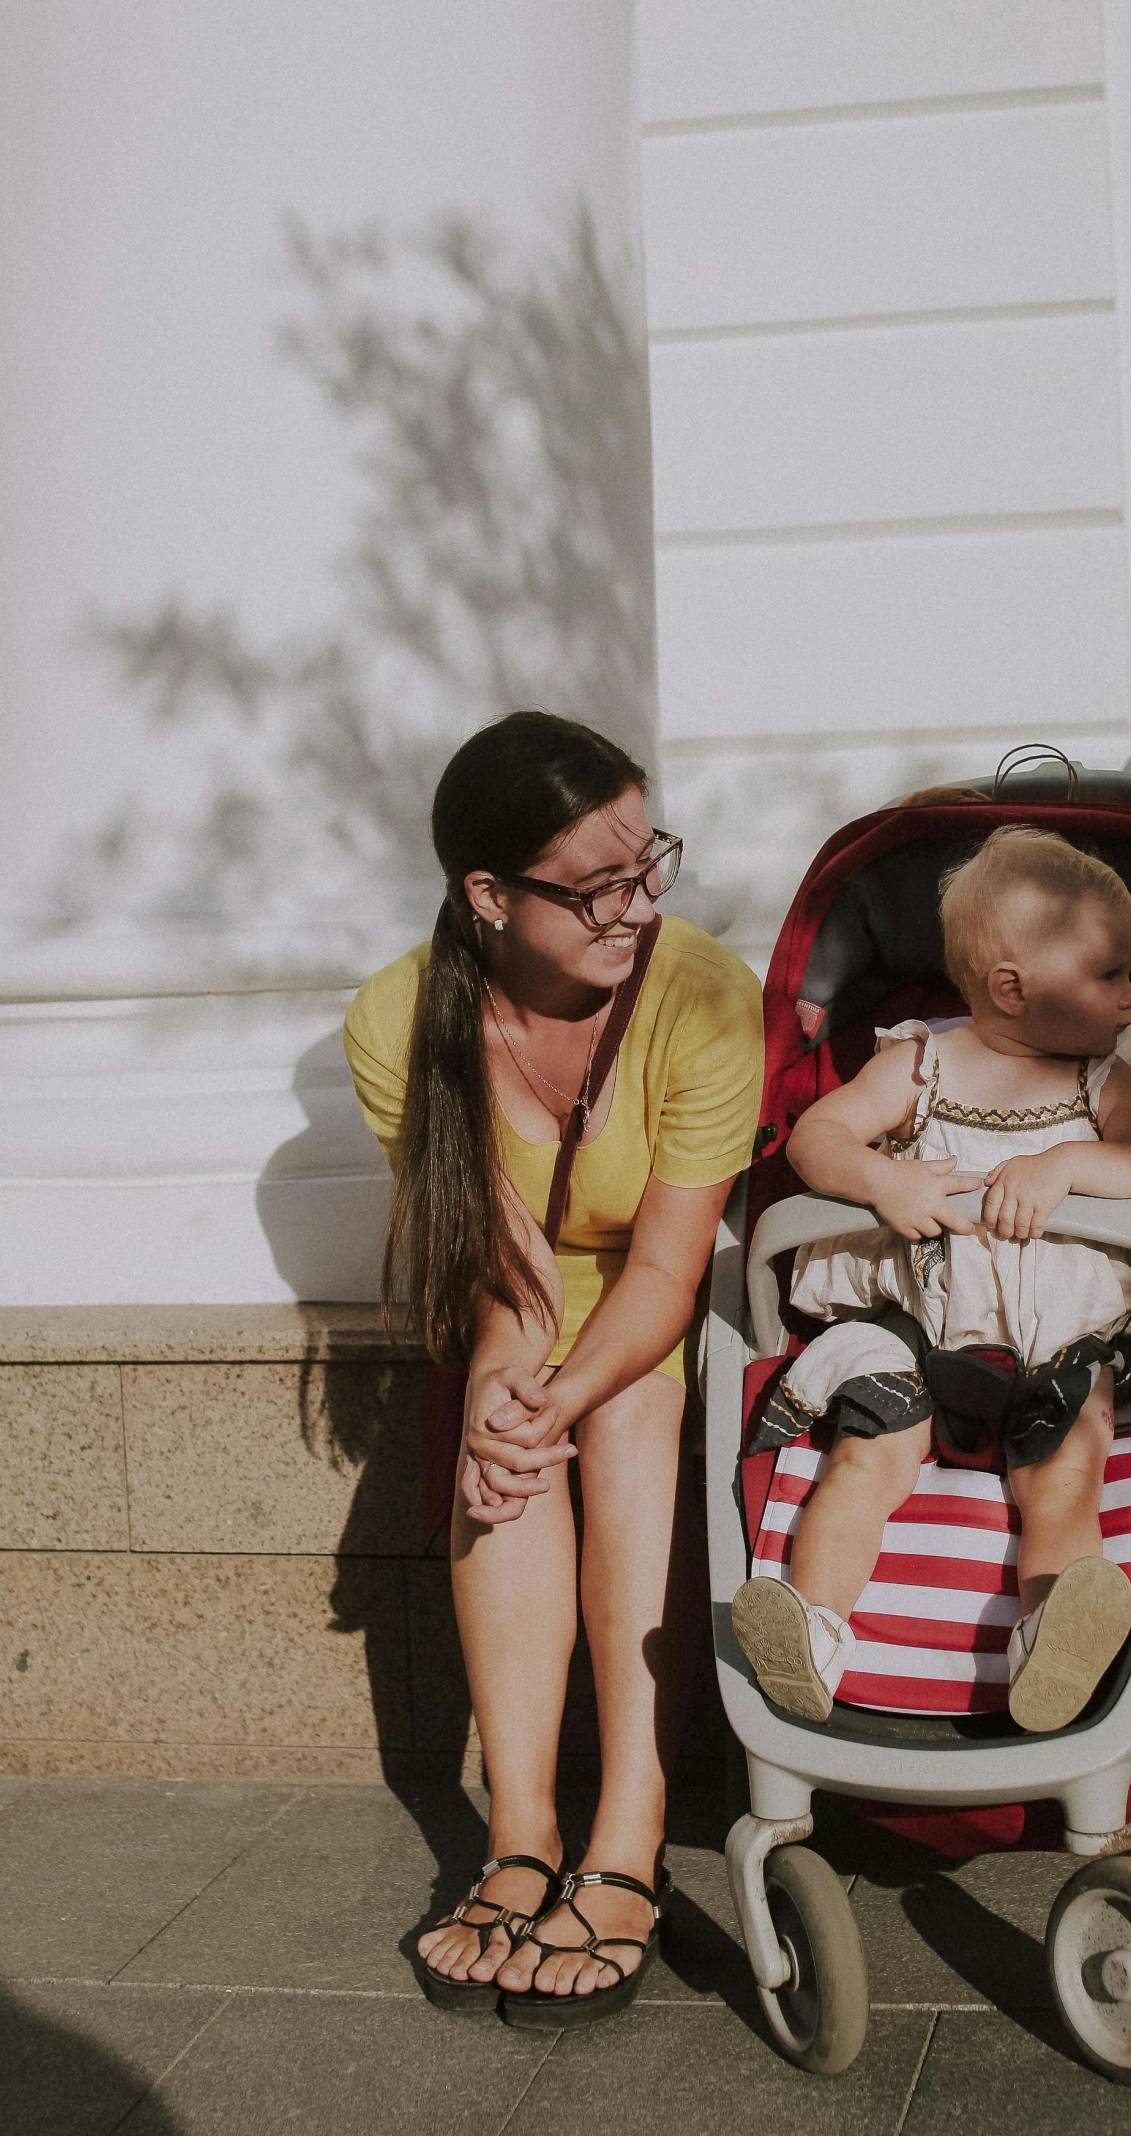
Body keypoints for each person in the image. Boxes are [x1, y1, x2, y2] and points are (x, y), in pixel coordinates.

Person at [343, 712, 761, 2027]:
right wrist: (519, 1405)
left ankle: (626, 1832)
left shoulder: (700, 997)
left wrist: (573, 1394)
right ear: (486, 893)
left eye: (650, 867)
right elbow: (504, 1272)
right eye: (596, 887)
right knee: (493, 1411)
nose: (635, 906)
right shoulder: (396, 1018)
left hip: (664, 1303)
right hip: (523, 1297)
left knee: (630, 1411)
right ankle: (519, 1832)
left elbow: (665, 1270)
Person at [732, 827, 1131, 1734]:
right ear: (1009, 987)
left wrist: (1067, 1164)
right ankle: (813, 1631)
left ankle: (1051, 1637)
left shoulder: (1101, 1083)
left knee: (1062, 1477)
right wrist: (880, 1179)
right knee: (863, 1461)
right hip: (913, 1323)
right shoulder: (916, 1063)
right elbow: (817, 1138)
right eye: (1111, 974)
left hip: (1052, 1338)